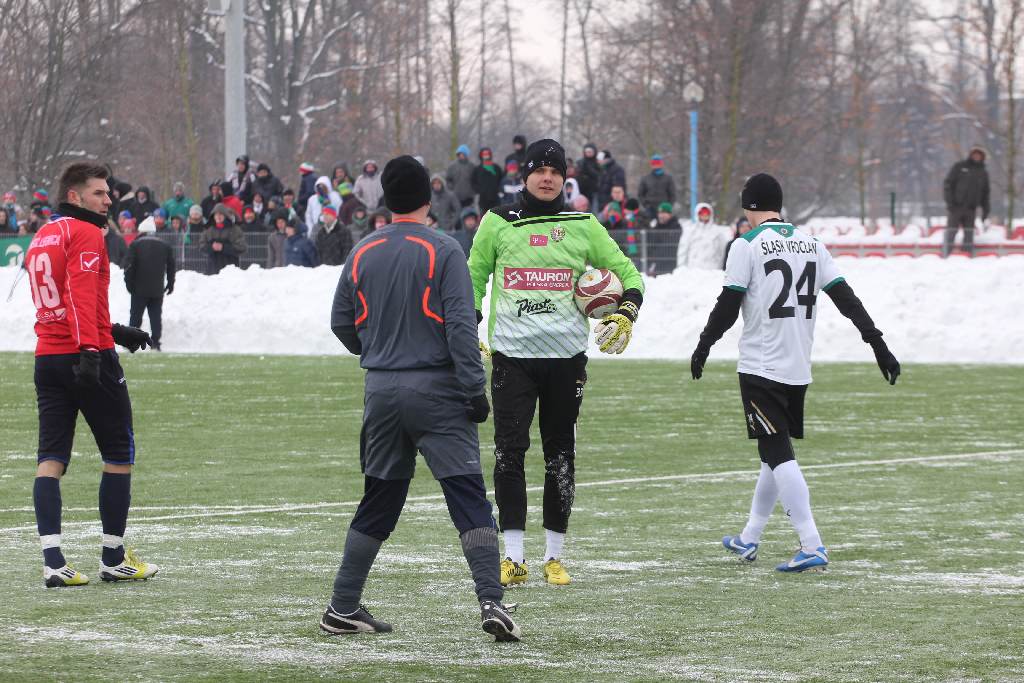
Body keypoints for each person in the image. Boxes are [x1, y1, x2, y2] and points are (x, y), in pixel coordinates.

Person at [324, 154, 519, 641]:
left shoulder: (362, 251)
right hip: (437, 390)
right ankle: (491, 601)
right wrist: (474, 391)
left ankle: (341, 606)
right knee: (467, 496)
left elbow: (341, 323)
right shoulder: (444, 248)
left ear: (385, 199)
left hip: (382, 391)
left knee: (381, 499)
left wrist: (379, 352)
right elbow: (459, 325)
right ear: (428, 198)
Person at [690, 173, 901, 574]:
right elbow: (845, 298)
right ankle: (750, 537)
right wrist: (878, 344)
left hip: (760, 366)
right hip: (797, 366)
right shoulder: (812, 243)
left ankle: (812, 544)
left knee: (775, 451)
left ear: (749, 207)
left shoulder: (745, 245)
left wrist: (704, 344)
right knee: (774, 450)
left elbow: (727, 305)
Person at [467, 139, 645, 587]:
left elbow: (630, 275)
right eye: (539, 170)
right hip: (513, 358)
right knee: (510, 453)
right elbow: (471, 278)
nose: (547, 177)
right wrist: (468, 326)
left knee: (560, 454)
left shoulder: (583, 224)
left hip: (566, 360)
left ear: (565, 178)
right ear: (523, 176)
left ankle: (553, 556)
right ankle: (513, 557)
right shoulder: (497, 222)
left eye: (555, 170)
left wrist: (626, 311)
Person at [25, 161, 158, 588]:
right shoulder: (85, 233)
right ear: (74, 196)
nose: (108, 200)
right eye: (99, 193)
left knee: (51, 458)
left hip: (47, 356)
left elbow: (62, 299)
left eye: (107, 193)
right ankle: (114, 557)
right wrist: (92, 349)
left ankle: (53, 561)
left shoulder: (44, 234)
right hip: (83, 354)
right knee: (120, 452)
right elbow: (81, 296)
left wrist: (114, 329)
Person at [124, 216, 175, 351]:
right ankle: (156, 343)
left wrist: (129, 284)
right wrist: (170, 283)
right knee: (155, 317)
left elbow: (129, 266)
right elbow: (171, 266)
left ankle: (131, 343)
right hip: (157, 289)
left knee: (135, 316)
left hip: (138, 288)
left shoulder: (135, 245)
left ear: (141, 231)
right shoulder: (165, 245)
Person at [942, 146, 990, 258]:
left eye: (979, 154)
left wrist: (985, 210)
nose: (977, 156)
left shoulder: (983, 172)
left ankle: (966, 256)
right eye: (975, 153)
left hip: (971, 209)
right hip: (956, 207)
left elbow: (985, 193)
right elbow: (948, 185)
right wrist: (950, 203)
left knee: (969, 235)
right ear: (971, 154)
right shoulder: (959, 167)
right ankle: (946, 256)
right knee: (951, 232)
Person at [201, 203, 246, 274]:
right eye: (216, 214)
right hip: (212, 271)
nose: (218, 216)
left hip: (231, 272)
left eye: (220, 214)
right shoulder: (208, 230)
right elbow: (202, 247)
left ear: (225, 215)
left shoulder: (235, 230)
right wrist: (211, 247)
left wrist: (223, 247)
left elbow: (242, 247)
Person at [637, 155, 676, 220]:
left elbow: (672, 194)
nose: (656, 165)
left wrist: (668, 206)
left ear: (661, 164)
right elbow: (640, 194)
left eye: (658, 163)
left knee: (664, 228)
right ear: (651, 165)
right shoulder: (645, 178)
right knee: (648, 227)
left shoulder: (668, 178)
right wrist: (646, 205)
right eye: (654, 164)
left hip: (664, 209)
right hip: (650, 209)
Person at [648, 202, 682, 276]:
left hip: (670, 267)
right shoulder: (656, 227)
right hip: (655, 266)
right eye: (659, 213)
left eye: (664, 213)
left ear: (670, 214)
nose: (661, 216)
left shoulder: (675, 227)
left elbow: (669, 247)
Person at [472, 147, 502, 214]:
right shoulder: (477, 169)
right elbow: (473, 182)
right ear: (481, 155)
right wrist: (479, 190)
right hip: (483, 199)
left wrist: (498, 190)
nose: (486, 156)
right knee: (484, 218)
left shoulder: (496, 168)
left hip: (495, 198)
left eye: (487, 154)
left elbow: (501, 180)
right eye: (484, 154)